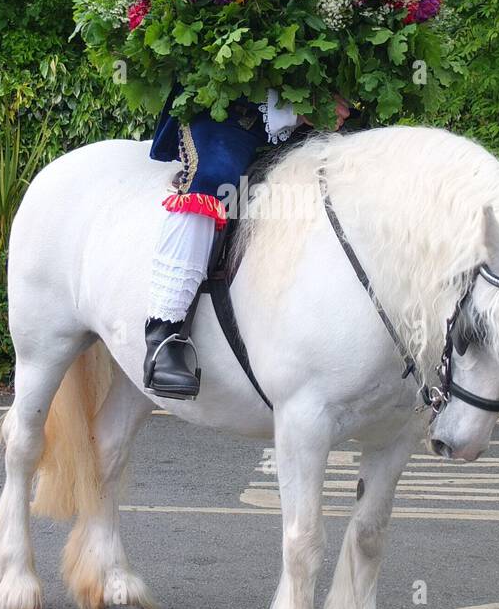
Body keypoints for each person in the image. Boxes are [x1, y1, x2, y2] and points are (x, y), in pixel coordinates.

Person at [143, 87, 348, 397]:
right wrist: (301, 107)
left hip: (313, 115)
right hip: (226, 108)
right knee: (214, 178)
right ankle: (164, 336)